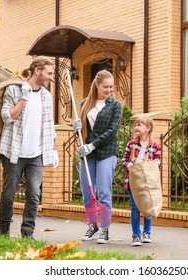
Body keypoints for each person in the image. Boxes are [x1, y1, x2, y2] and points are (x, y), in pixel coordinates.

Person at [0, 56, 58, 238]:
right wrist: (24, 98)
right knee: (9, 194)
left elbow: (48, 125)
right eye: (49, 73)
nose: (51, 77)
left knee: (33, 194)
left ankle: (27, 232)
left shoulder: (47, 96)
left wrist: (53, 149)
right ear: (37, 70)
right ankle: (4, 229)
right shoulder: (14, 90)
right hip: (14, 152)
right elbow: (7, 117)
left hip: (36, 154)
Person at [73, 69, 122, 244]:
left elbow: (112, 131)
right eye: (105, 87)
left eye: (111, 87)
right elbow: (83, 132)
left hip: (106, 153)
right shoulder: (85, 104)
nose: (109, 90)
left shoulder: (115, 106)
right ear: (97, 85)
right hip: (88, 155)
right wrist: (77, 126)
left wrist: (92, 145)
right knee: (87, 192)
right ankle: (93, 224)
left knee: (104, 192)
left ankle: (104, 228)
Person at [122, 115, 161, 246]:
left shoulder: (155, 146)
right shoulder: (131, 144)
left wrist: (156, 162)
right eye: (135, 125)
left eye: (139, 125)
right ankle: (136, 235)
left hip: (147, 182)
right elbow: (124, 160)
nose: (136, 127)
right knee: (135, 208)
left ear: (148, 128)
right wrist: (129, 165)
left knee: (147, 205)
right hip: (132, 182)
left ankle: (147, 233)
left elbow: (159, 162)